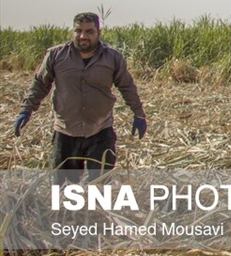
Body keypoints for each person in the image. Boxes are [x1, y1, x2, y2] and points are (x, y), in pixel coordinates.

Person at [13, 12, 147, 184]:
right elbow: (40, 84)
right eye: (78, 31)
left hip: (100, 130)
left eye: (89, 31)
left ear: (99, 32)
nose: (83, 36)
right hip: (65, 132)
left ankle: (96, 211)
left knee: (100, 186)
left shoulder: (113, 58)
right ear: (72, 31)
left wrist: (139, 114)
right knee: (64, 190)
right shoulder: (56, 56)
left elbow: (127, 87)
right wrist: (26, 110)